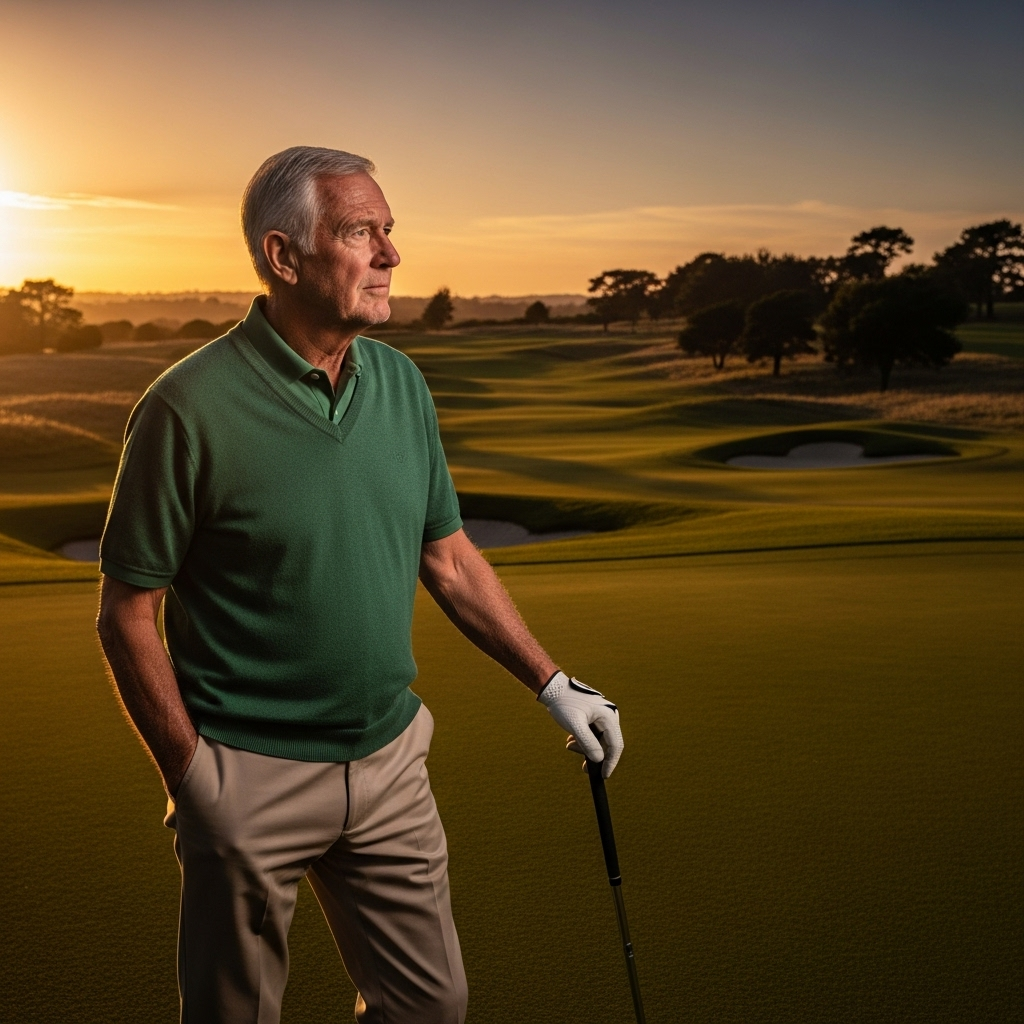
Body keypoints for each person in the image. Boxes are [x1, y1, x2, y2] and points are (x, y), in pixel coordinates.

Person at [96, 146, 624, 1024]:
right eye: (361, 232)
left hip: (389, 764)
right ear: (284, 255)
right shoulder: (185, 407)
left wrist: (552, 681)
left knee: (432, 1006)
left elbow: (448, 556)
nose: (391, 254)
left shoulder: (402, 384)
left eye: (390, 231)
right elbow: (127, 611)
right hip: (246, 774)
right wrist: (194, 780)